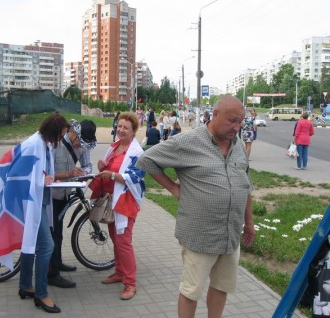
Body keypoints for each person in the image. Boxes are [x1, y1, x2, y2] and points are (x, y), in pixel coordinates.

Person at [136, 96, 255, 318]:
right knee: (191, 290)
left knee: (222, 286)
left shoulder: (238, 146)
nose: (237, 127)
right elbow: (147, 159)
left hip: (230, 234)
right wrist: (173, 188)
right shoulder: (188, 141)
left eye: (240, 122)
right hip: (199, 234)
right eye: (232, 121)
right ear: (215, 114)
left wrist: (249, 223)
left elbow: (246, 186)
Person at [0, 113, 71, 314]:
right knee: (46, 245)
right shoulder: (35, 145)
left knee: (30, 242)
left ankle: (25, 285)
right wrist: (43, 181)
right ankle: (41, 294)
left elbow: (35, 172)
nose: (62, 139)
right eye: (62, 134)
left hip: (35, 199)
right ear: (54, 131)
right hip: (31, 202)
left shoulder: (43, 143)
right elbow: (19, 174)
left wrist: (47, 179)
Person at [88, 112, 145, 300]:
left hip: (125, 202)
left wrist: (111, 175)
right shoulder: (114, 147)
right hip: (111, 200)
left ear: (133, 131)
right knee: (115, 237)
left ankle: (130, 283)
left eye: (125, 128)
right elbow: (109, 170)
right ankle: (119, 272)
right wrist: (103, 167)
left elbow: (136, 178)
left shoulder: (136, 152)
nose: (120, 130)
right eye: (119, 126)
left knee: (123, 241)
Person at [48, 119, 97, 288]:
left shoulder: (84, 145)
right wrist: (68, 173)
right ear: (73, 133)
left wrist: (84, 172)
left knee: (58, 232)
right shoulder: (56, 143)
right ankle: (52, 274)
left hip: (65, 193)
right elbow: (47, 173)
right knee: (52, 233)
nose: (79, 147)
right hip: (50, 196)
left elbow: (88, 164)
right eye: (78, 142)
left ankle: (57, 262)